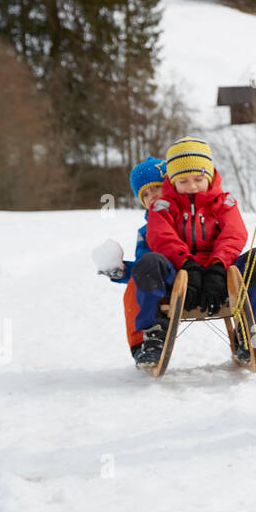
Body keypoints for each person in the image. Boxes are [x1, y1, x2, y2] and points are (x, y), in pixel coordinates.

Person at [139, 135, 256, 363]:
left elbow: (233, 234)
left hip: (221, 274)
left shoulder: (225, 202)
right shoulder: (162, 206)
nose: (192, 186)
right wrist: (187, 265)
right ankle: (153, 337)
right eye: (183, 181)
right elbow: (161, 237)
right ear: (172, 181)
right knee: (149, 262)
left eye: (198, 178)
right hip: (180, 276)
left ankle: (253, 333)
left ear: (210, 175)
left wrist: (217, 266)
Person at [90, 155, 172, 368]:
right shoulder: (145, 233)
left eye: (156, 187)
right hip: (163, 287)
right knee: (135, 286)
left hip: (194, 280)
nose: (151, 195)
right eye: (145, 193)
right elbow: (144, 267)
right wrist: (123, 271)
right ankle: (142, 346)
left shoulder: (186, 219)